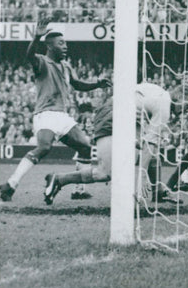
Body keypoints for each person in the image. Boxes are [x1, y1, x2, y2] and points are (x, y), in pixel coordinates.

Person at [0, 17, 111, 202]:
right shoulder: (42, 62)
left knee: (85, 147)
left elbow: (78, 84)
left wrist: (96, 84)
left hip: (63, 116)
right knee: (44, 147)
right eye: (61, 43)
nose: (65, 46)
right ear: (50, 47)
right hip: (46, 114)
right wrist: (36, 38)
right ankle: (11, 184)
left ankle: (79, 190)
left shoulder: (66, 66)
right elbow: (29, 56)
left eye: (65, 43)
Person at [42, 83, 178, 205]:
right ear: (180, 97)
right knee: (105, 173)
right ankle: (59, 179)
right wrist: (141, 179)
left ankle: (158, 191)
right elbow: (150, 143)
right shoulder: (164, 106)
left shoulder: (159, 92)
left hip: (128, 117)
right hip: (112, 113)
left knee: (151, 153)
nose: (186, 110)